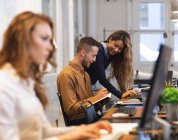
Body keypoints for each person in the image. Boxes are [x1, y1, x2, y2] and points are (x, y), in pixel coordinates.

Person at [0, 11, 112, 140]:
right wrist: (69, 137)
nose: (52, 47)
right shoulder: (4, 84)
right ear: (22, 40)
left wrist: (83, 129)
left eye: (51, 40)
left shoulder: (27, 82)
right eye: (44, 38)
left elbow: (44, 132)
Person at [57, 37, 109, 125]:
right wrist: (95, 98)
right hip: (80, 124)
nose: (94, 60)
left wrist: (100, 101)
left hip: (90, 119)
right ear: (83, 52)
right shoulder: (66, 75)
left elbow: (88, 104)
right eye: (93, 56)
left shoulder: (86, 75)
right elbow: (70, 110)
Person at [86, 30, 138, 99]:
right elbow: (102, 79)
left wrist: (125, 92)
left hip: (90, 85)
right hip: (83, 86)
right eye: (115, 45)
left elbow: (118, 74)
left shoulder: (110, 53)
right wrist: (120, 95)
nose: (116, 50)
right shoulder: (99, 50)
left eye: (120, 49)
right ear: (110, 39)